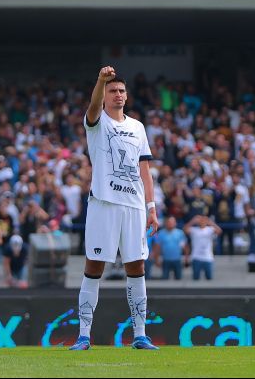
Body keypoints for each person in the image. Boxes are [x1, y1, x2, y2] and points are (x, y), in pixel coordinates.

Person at [70, 66, 159, 351]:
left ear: (127, 95)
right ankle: (84, 335)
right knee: (94, 266)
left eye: (121, 91)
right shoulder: (96, 122)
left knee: (137, 266)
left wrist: (152, 207)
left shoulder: (137, 127)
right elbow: (93, 105)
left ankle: (140, 335)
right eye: (113, 91)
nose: (118, 95)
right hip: (104, 204)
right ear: (105, 96)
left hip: (133, 206)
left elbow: (145, 171)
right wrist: (100, 80)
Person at [184, 215, 221, 281]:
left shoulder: (210, 229)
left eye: (204, 220)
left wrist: (210, 222)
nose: (202, 221)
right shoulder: (194, 230)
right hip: (196, 257)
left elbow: (219, 231)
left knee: (209, 278)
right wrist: (192, 221)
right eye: (201, 220)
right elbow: (185, 229)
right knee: (196, 278)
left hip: (208, 258)